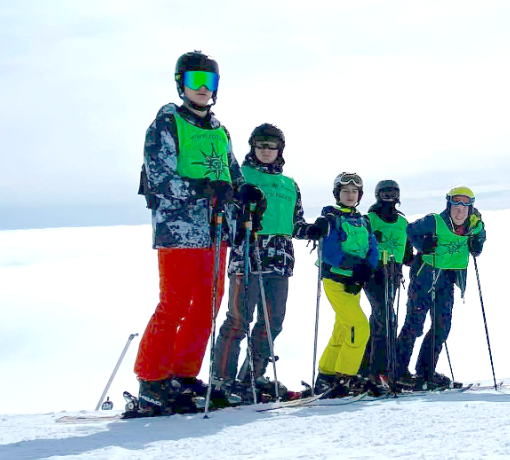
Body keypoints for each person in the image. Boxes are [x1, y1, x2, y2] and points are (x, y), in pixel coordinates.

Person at [133, 51, 244, 414]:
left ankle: (182, 375)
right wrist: (203, 188)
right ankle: (152, 379)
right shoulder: (166, 123)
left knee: (208, 304)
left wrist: (244, 193)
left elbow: (232, 174)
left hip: (216, 230)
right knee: (176, 303)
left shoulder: (219, 130)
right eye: (194, 80)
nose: (201, 88)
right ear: (180, 82)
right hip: (179, 229)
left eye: (208, 81)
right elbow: (160, 177)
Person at [211, 124, 314, 400]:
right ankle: (221, 380)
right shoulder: (242, 176)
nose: (266, 150)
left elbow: (295, 224)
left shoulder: (289, 184)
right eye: (261, 145)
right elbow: (226, 215)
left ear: (280, 149)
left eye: (272, 146)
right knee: (238, 320)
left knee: (272, 323)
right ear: (252, 147)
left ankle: (251, 378)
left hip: (280, 262)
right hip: (248, 257)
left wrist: (314, 230)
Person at [395, 186, 487, 390]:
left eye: (465, 204)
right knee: (414, 325)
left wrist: (476, 245)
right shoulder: (434, 220)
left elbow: (480, 241)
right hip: (424, 277)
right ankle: (397, 372)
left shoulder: (475, 225)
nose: (460, 208)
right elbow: (410, 230)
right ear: (449, 204)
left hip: (448, 279)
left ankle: (425, 372)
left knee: (441, 327)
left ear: (471, 207)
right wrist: (422, 244)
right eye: (456, 203)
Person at [311, 173, 380, 397]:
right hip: (336, 280)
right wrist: (356, 267)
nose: (350, 195)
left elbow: (373, 248)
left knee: (343, 329)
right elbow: (330, 253)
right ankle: (345, 377)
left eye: (354, 191)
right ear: (337, 194)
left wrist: (365, 271)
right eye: (345, 191)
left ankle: (327, 375)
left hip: (354, 282)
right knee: (358, 327)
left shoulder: (363, 220)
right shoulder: (331, 218)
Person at [358, 180, 415, 389]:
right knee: (387, 319)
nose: (389, 198)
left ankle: (364, 370)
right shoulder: (369, 220)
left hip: (393, 274)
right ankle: (379, 371)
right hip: (373, 275)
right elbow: (360, 245)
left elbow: (408, 254)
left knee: (380, 320)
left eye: (393, 194)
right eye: (385, 194)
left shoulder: (402, 222)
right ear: (377, 195)